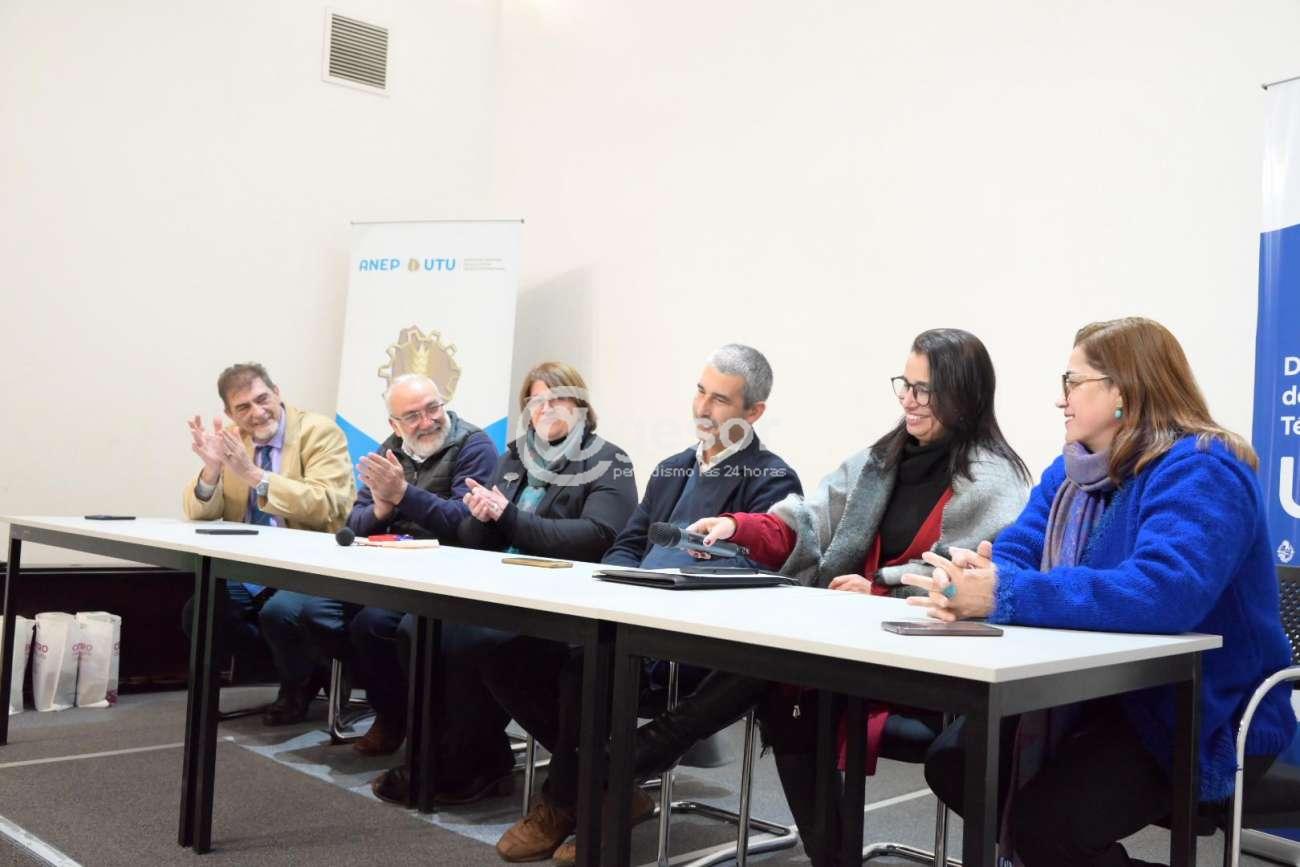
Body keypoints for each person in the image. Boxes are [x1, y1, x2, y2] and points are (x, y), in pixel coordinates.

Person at [617, 328, 1031, 866]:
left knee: (786, 676)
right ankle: (649, 756)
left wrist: (879, 588)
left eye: (923, 390)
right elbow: (807, 522)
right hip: (852, 644)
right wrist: (739, 526)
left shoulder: (995, 480)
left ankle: (640, 755)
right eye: (904, 385)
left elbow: (966, 576)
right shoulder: (879, 459)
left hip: (931, 661)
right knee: (787, 685)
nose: (908, 399)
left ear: (963, 395)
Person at [906, 318, 1298, 867]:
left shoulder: (1206, 468)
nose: (1060, 398)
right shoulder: (1072, 470)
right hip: (1098, 693)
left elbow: (1162, 592)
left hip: (1198, 710)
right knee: (957, 763)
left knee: (1048, 825)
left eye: (1072, 382)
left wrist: (1005, 593)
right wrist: (981, 573)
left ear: (1123, 391)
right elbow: (1020, 547)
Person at [485, 344, 804, 864]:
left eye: (720, 400)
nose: (702, 408)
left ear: (753, 413)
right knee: (505, 656)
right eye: (700, 391)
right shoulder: (673, 469)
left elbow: (752, 571)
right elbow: (628, 543)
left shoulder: (771, 479)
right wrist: (621, 584)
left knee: (585, 667)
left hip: (696, 642)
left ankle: (567, 802)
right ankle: (606, 786)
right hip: (633, 619)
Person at [362, 362, 638, 807]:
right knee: (417, 628)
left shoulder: (608, 461)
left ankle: (475, 766)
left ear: (581, 406)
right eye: (536, 402)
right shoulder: (514, 458)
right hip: (499, 589)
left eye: (559, 399)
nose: (547, 410)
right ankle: (440, 758)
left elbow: (597, 535)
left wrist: (506, 515)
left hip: (562, 601)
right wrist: (480, 515)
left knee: (469, 641)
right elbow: (477, 540)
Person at [182, 362, 355, 725]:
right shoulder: (233, 439)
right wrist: (212, 470)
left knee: (279, 614)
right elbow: (198, 513)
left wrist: (255, 476)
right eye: (243, 407)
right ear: (231, 413)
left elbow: (329, 504)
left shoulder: (318, 432)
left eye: (262, 399)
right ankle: (305, 667)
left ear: (277, 393)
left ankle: (297, 684)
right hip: (252, 568)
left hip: (308, 562)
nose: (257, 412)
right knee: (201, 611)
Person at [337, 373, 498, 752]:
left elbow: (464, 524)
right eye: (412, 416)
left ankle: (407, 722)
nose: (427, 421)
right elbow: (354, 523)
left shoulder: (474, 445)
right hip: (392, 571)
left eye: (433, 408)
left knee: (374, 624)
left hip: (449, 575)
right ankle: (393, 711)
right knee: (317, 611)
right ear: (395, 425)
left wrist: (402, 494)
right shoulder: (389, 449)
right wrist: (380, 508)